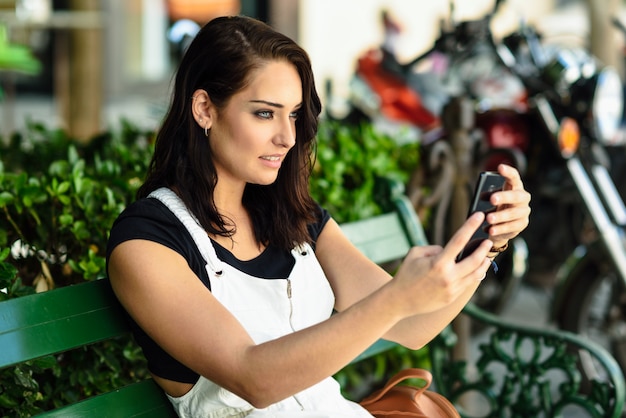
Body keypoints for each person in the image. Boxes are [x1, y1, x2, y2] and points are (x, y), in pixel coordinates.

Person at [106, 15, 531, 418]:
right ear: (204, 109)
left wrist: (488, 239)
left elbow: (414, 325)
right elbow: (252, 376)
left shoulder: (293, 218)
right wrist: (397, 297)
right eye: (264, 113)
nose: (287, 136)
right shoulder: (147, 243)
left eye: (292, 114)